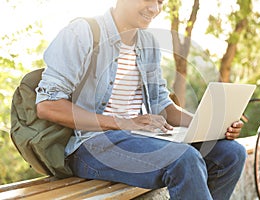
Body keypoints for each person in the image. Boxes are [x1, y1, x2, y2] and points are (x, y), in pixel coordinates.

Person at [35, 0, 247, 199]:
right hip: (89, 145)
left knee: (232, 153)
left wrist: (209, 124)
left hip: (139, 139)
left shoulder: (148, 43)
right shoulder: (82, 33)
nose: (155, 8)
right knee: (183, 158)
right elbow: (48, 106)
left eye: (160, 2)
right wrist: (122, 123)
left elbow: (162, 104)